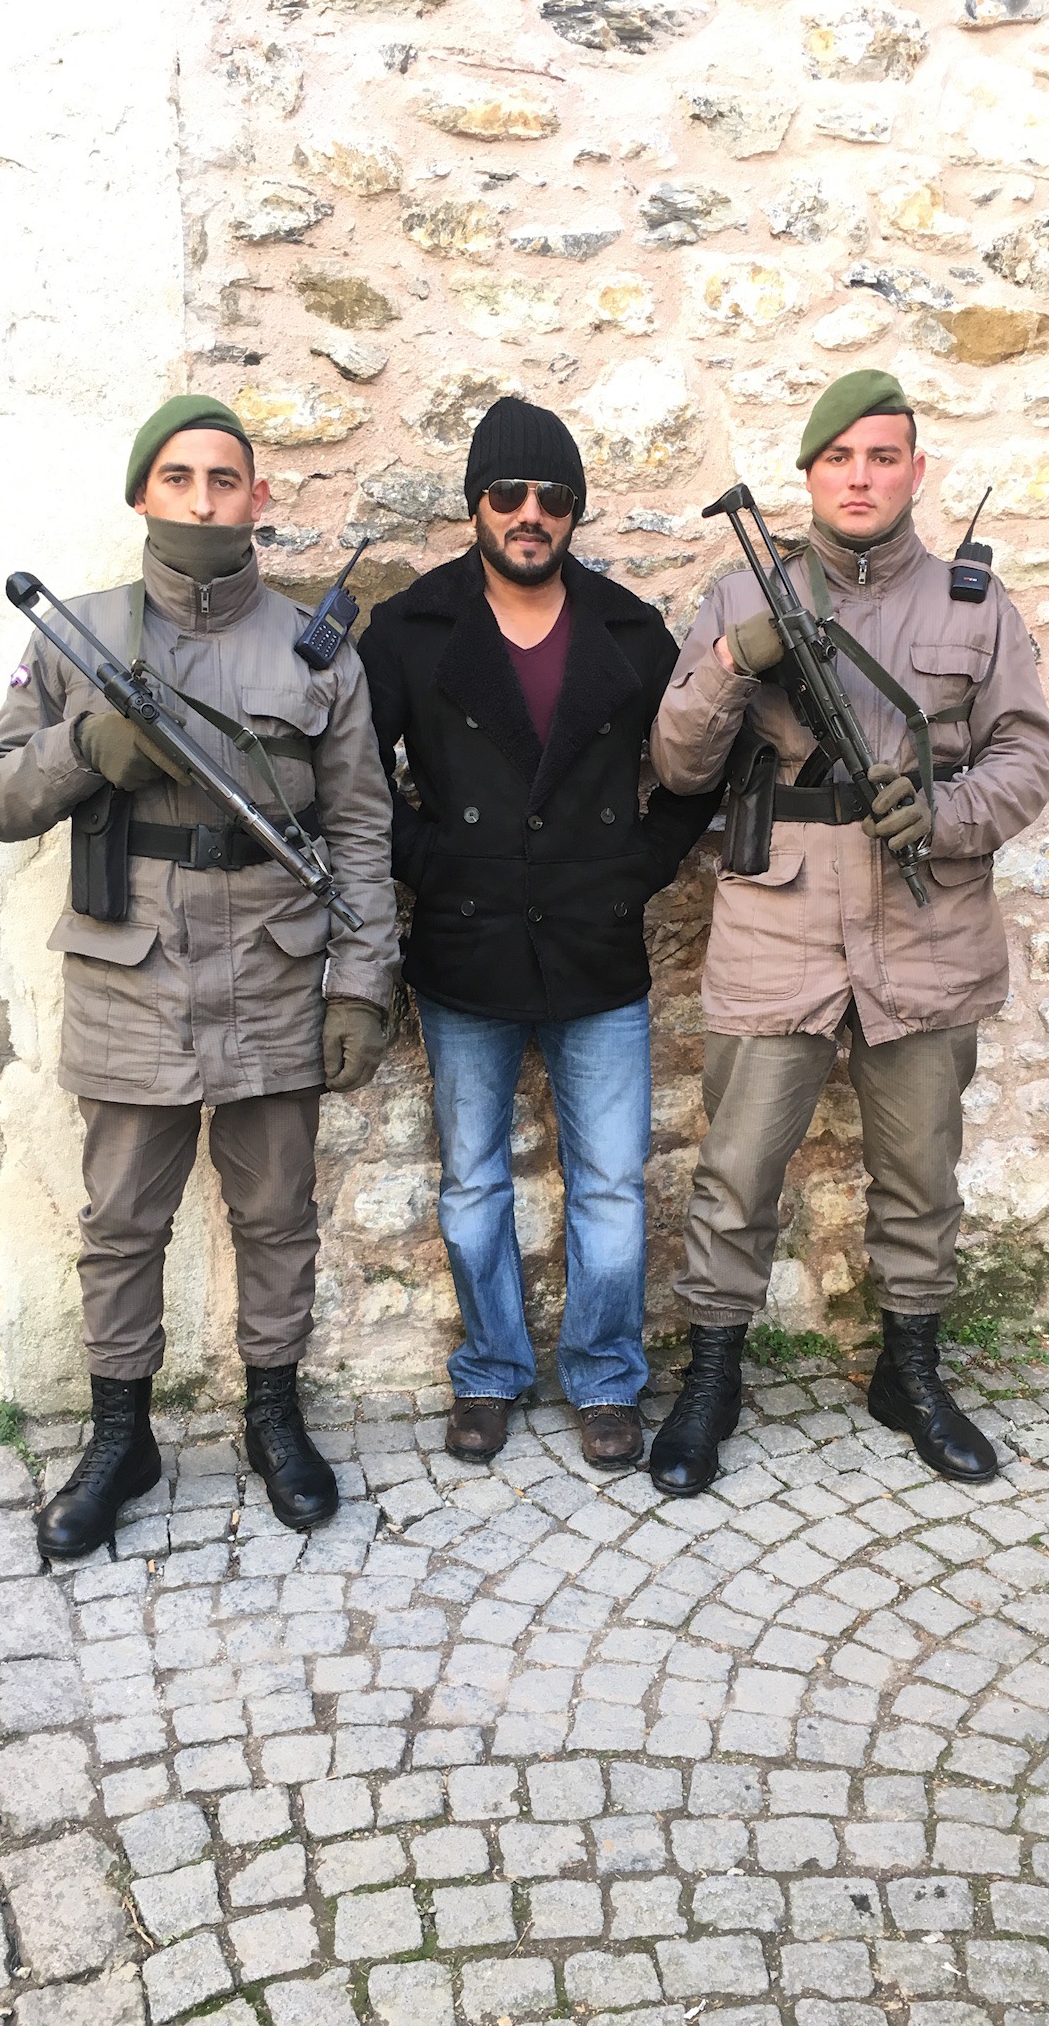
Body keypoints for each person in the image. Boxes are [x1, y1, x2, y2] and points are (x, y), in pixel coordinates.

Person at [0, 394, 401, 1557]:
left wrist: (361, 982)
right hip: (132, 973)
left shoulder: (318, 651)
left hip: (274, 967)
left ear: (257, 497)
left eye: (223, 480)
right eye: (179, 478)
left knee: (278, 1214)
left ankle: (274, 1413)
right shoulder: (77, 634)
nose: (203, 501)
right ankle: (122, 1435)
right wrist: (83, 747)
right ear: (142, 494)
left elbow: (361, 828)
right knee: (121, 1222)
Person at [647, 369, 1049, 1496]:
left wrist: (948, 813)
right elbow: (676, 762)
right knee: (738, 1169)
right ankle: (712, 1378)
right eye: (840, 459)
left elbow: (1028, 755)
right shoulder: (744, 594)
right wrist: (733, 663)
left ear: (916, 471)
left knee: (921, 1170)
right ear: (811, 474)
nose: (861, 478)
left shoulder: (975, 606)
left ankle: (909, 1373)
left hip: (926, 921)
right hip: (778, 918)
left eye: (883, 457)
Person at [361, 397, 721, 1470]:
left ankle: (605, 1378)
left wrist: (638, 867)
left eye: (552, 496)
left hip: (594, 947)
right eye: (508, 493)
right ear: (476, 502)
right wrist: (433, 863)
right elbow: (352, 781)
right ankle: (489, 1369)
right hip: (464, 947)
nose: (530, 513)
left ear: (575, 509)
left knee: (610, 1183)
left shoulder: (629, 631)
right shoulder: (414, 628)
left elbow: (699, 768)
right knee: (473, 1181)